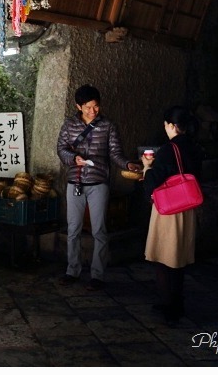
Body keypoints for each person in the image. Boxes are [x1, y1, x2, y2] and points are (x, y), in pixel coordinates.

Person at [56, 84, 141, 290]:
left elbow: (115, 153)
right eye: (88, 107)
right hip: (75, 182)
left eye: (96, 107)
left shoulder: (107, 126)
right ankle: (72, 270)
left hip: (99, 183)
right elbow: (61, 149)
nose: (93, 111)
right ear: (78, 106)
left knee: (99, 230)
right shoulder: (69, 125)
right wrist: (73, 158)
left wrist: (128, 164)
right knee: (73, 229)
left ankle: (97, 275)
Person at [141, 105, 204, 323]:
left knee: (163, 257)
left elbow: (154, 180)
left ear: (171, 126)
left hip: (170, 208)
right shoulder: (194, 147)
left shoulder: (170, 149)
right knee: (179, 259)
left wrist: (147, 166)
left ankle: (169, 306)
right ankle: (177, 303)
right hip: (188, 207)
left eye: (166, 125)